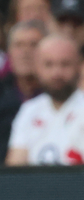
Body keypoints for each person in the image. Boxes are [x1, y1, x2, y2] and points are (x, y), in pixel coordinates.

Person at [5, 33, 84, 164]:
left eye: (65, 64)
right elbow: (16, 167)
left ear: (79, 66)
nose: (57, 73)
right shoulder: (29, 110)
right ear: (37, 67)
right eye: (49, 65)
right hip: (36, 183)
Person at [0, 20, 44, 162]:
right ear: (9, 52)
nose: (25, 52)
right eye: (19, 45)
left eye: (33, 45)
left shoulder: (60, 95)